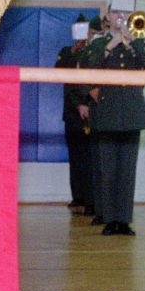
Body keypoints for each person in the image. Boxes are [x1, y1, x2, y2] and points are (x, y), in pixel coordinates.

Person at [80, 0, 145, 236]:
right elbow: (90, 68)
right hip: (107, 112)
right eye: (117, 13)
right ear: (108, 17)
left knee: (127, 170)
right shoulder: (99, 43)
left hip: (131, 112)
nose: (121, 17)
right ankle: (110, 218)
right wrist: (111, 46)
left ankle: (124, 219)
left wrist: (132, 43)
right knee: (108, 169)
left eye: (125, 13)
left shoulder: (138, 41)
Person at [56, 13, 96, 217]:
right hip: (71, 113)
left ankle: (91, 199)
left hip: (90, 111)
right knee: (76, 158)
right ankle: (78, 196)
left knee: (90, 158)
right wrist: (74, 51)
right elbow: (60, 73)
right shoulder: (67, 52)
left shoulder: (93, 53)